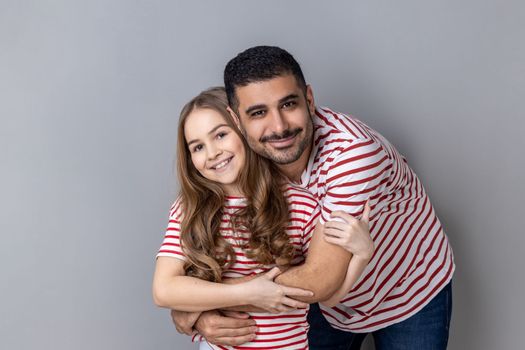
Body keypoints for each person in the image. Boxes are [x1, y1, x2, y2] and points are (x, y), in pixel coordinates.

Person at [173, 47, 455, 350]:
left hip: (404, 288)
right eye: (258, 112)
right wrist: (197, 307)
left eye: (289, 104)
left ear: (309, 99)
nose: (279, 127)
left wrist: (197, 302)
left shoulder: (353, 155)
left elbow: (321, 278)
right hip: (319, 302)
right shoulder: (242, 155)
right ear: (236, 119)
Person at [153, 87, 374, 349]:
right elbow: (163, 289)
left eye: (221, 135)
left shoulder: (300, 205)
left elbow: (328, 297)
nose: (212, 153)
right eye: (198, 147)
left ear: (243, 129)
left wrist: (362, 255)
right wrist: (248, 293)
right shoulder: (190, 208)